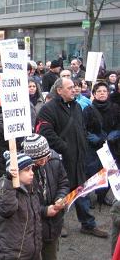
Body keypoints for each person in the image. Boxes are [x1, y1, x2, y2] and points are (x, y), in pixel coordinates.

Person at [36, 77, 108, 238]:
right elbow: (46, 133)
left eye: (75, 87)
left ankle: (88, 224)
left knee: (81, 192)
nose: (74, 90)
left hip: (79, 158)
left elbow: (81, 128)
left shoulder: (76, 106)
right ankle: (58, 223)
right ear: (59, 90)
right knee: (60, 193)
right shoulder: (48, 109)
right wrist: (65, 148)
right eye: (70, 88)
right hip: (61, 159)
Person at [23, 134, 69, 260]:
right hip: (32, 229)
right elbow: (23, 203)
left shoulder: (54, 159)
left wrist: (61, 197)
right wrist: (44, 210)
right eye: (39, 160)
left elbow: (63, 183)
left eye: (46, 157)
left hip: (53, 226)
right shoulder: (23, 173)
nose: (43, 162)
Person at [0, 152, 42, 260]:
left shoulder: (30, 188)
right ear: (15, 173)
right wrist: (10, 181)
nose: (32, 173)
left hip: (32, 252)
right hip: (16, 256)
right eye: (27, 170)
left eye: (31, 169)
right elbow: (7, 209)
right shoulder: (7, 190)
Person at [83, 82, 120, 202]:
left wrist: (114, 135)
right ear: (94, 94)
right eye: (99, 91)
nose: (102, 93)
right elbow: (83, 129)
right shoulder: (88, 110)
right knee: (93, 173)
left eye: (104, 91)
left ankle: (102, 197)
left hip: (111, 146)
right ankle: (87, 197)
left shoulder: (115, 108)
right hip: (94, 147)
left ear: (108, 93)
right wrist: (94, 138)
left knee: (109, 172)